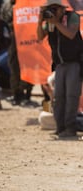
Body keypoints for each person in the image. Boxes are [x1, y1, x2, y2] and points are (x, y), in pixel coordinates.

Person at [37, 0, 82, 139]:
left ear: (62, 9)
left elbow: (70, 34)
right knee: (58, 98)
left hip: (74, 63)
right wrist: (40, 22)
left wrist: (56, 22)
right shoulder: (50, 23)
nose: (52, 11)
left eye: (55, 8)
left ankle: (70, 129)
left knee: (71, 97)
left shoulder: (72, 17)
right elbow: (39, 37)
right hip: (59, 64)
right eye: (50, 8)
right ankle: (60, 128)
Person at [1, 0, 34, 107]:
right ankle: (17, 94)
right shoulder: (6, 6)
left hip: (27, 38)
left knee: (29, 66)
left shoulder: (27, 4)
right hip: (13, 39)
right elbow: (3, 21)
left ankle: (28, 93)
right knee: (14, 66)